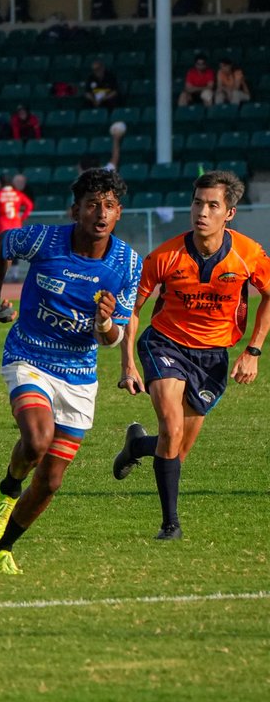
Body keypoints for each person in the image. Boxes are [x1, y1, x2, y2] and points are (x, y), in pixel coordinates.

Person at [0, 168, 141, 574]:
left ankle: (2, 548)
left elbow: (113, 339)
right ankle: (7, 490)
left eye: (108, 206)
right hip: (29, 355)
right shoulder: (44, 240)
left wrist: (104, 323)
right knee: (36, 439)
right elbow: (3, 243)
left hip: (79, 374)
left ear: (118, 213)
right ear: (76, 211)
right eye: (92, 205)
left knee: (51, 480)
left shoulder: (127, 263)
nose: (100, 213)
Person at [112, 170, 270, 540]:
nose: (202, 211)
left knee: (177, 451)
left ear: (229, 213)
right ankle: (171, 524)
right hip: (164, 345)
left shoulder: (249, 254)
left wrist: (253, 350)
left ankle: (137, 445)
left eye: (213, 205)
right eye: (198, 202)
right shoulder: (164, 256)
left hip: (213, 356)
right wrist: (128, 363)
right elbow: (132, 310)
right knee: (171, 429)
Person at [0, 172, 35, 282]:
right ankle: (14, 274)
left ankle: (2, 274)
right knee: (15, 250)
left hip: (3, 226)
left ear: (0, 183)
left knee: (2, 251)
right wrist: (22, 217)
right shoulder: (18, 194)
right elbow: (29, 205)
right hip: (16, 224)